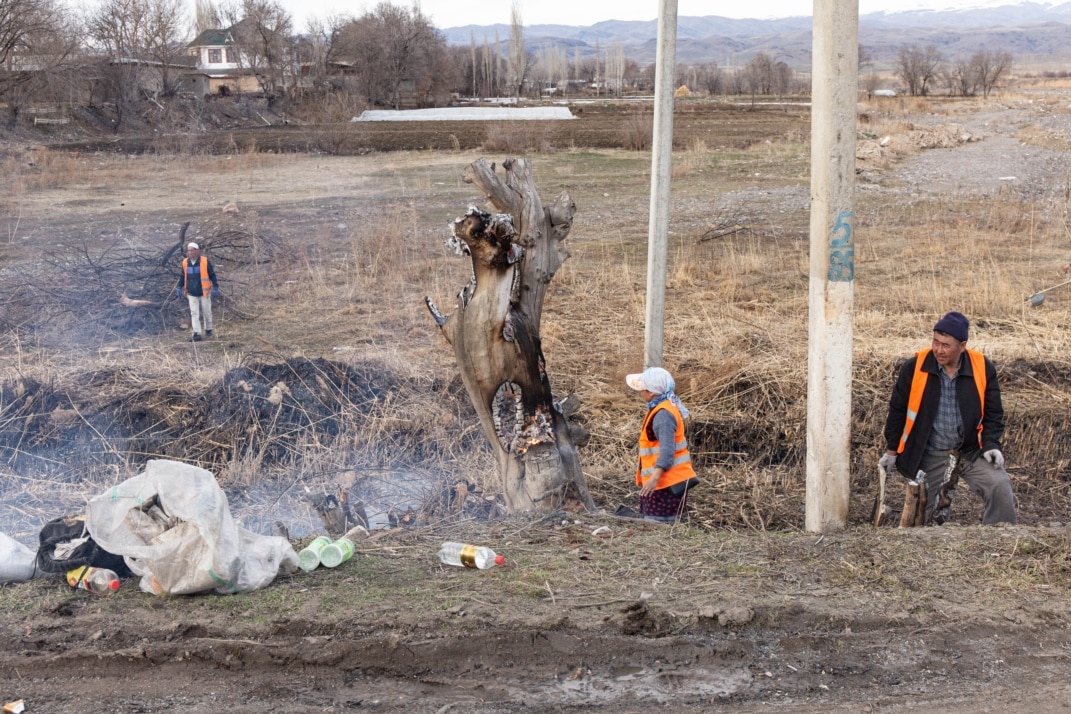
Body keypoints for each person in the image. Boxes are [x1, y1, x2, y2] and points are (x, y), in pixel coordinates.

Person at [879, 311, 1016, 525]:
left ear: (962, 346)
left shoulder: (982, 366)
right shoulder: (915, 366)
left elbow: (993, 413)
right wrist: (891, 450)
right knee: (922, 518)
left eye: (946, 345)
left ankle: (1002, 540)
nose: (938, 350)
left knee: (1000, 486)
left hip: (972, 451)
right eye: (935, 342)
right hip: (932, 452)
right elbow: (897, 410)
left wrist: (991, 445)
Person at [625, 367, 698, 523]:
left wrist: (654, 478)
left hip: (664, 485)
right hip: (667, 483)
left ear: (651, 392)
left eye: (642, 388)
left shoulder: (662, 415)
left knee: (657, 527)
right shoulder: (664, 407)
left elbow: (667, 450)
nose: (640, 392)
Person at [178, 241, 218, 342]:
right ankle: (197, 333)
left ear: (197, 251)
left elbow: (212, 275)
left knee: (206, 312)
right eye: (189, 251)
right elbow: (183, 276)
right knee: (194, 313)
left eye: (192, 250)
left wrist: (215, 287)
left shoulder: (204, 261)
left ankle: (208, 329)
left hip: (204, 292)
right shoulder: (185, 262)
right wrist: (179, 287)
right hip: (191, 292)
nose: (190, 253)